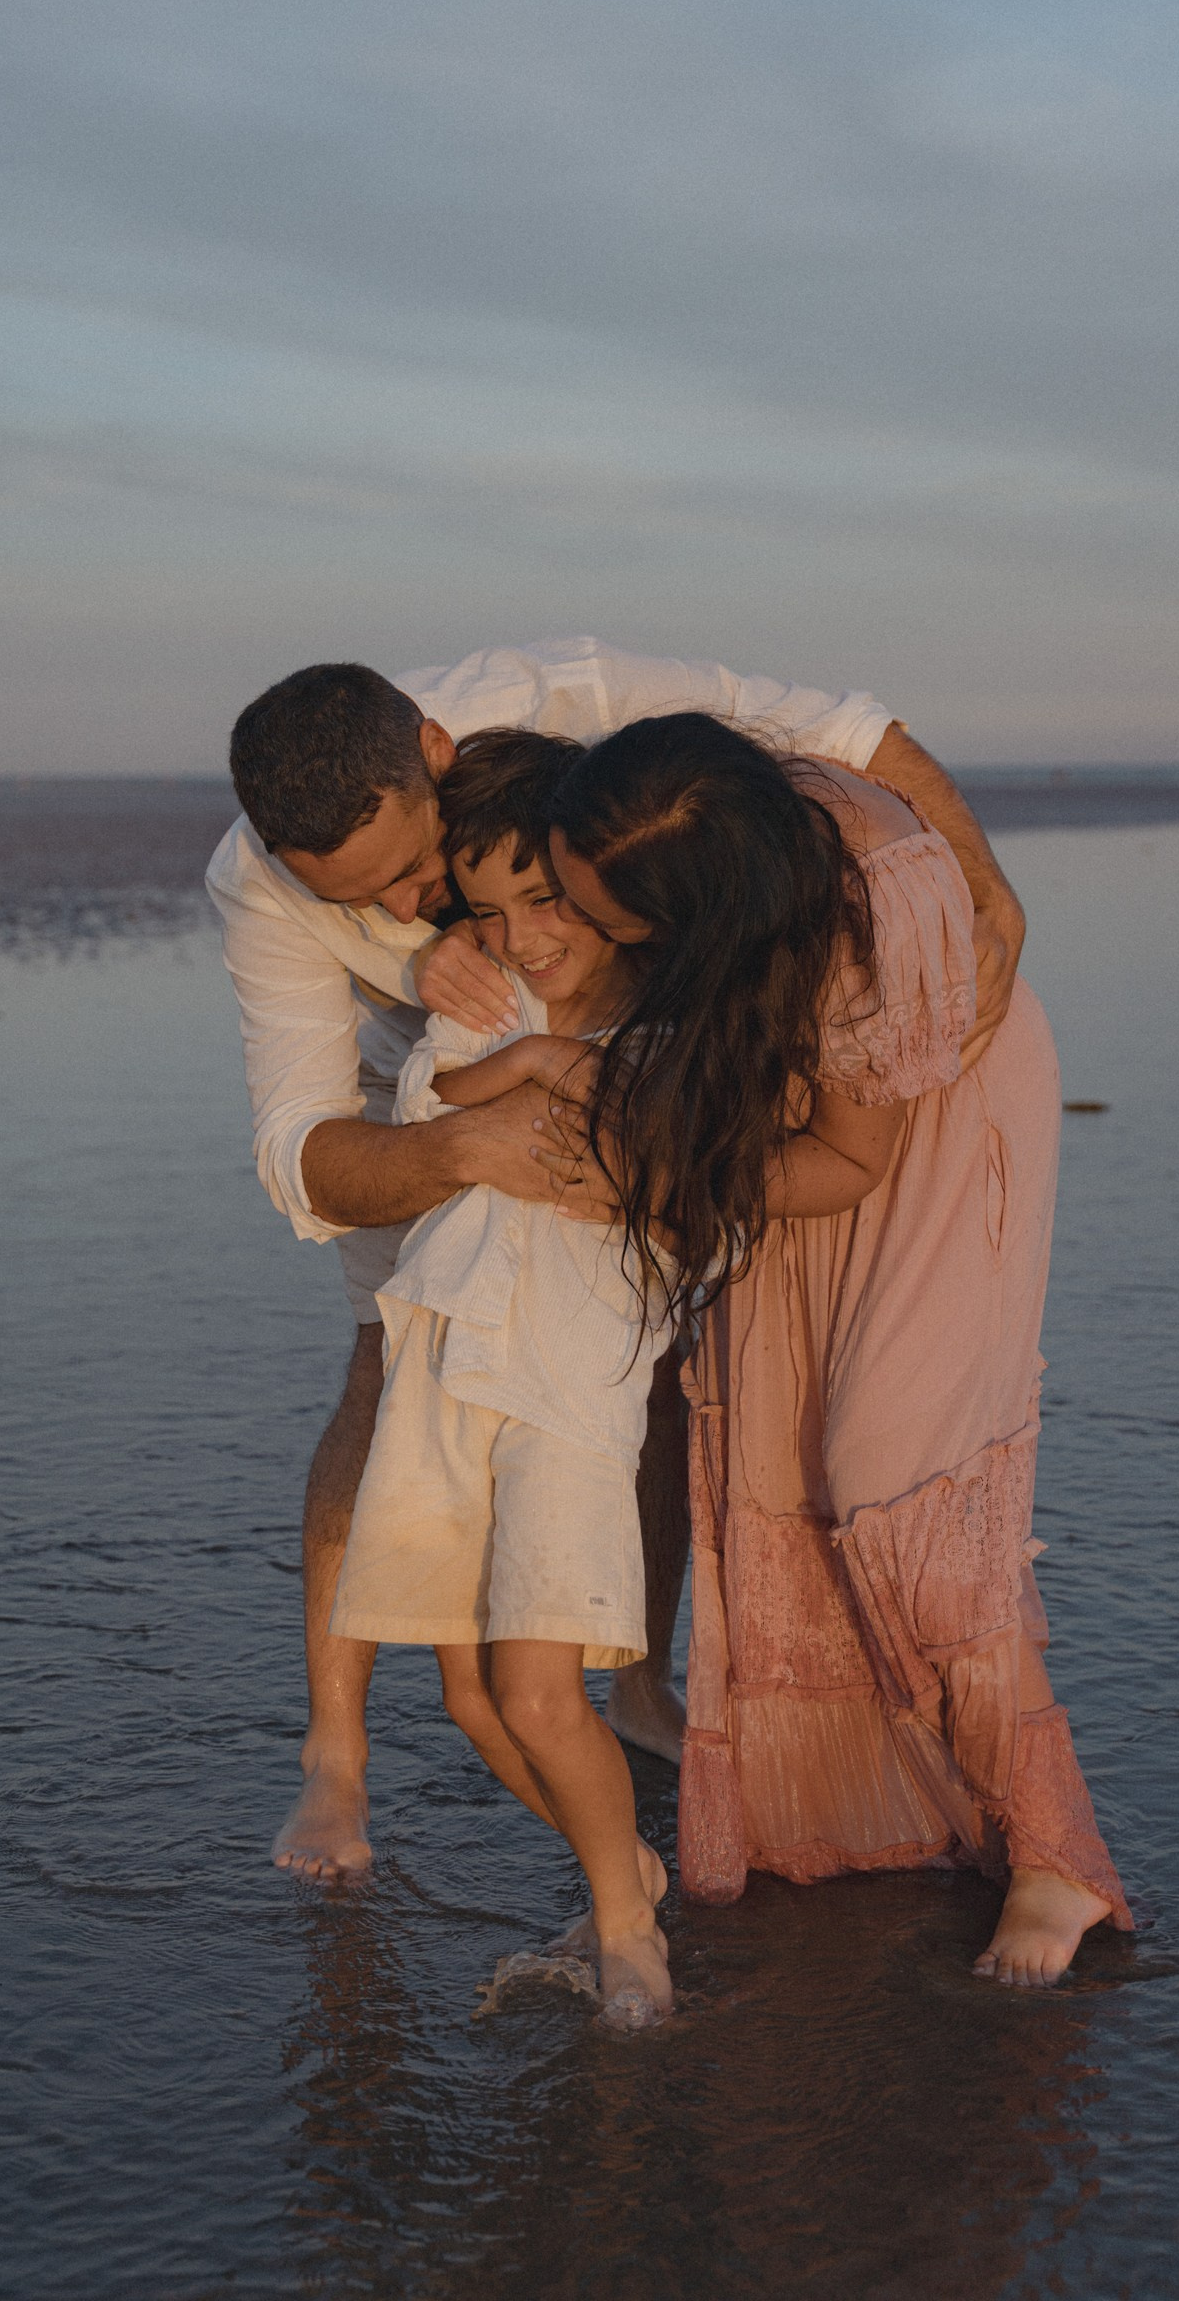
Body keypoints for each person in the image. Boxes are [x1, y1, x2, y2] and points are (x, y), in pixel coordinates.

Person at [209, 636, 1026, 1882]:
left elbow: (838, 728)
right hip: (412, 1096)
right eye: (355, 898)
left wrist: (982, 882)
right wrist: (464, 1144)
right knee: (386, 1365)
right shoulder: (263, 884)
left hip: (632, 1042)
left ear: (437, 755)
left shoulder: (564, 695)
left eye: (413, 867)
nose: (400, 903)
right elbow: (295, 1155)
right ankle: (336, 1753)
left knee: (635, 1370)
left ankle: (635, 1684)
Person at [536, 713, 1131, 1986]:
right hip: (800, 1111)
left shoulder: (872, 904)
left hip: (925, 1125)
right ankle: (873, 1807)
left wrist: (633, 1176)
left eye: (605, 912)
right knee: (773, 1426)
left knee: (891, 1462)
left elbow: (850, 1164)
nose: (578, 918)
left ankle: (1058, 1857)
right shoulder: (682, 792)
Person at [329, 729, 675, 2024]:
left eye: (545, 901)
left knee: (536, 1689)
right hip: (442, 1362)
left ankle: (629, 1928)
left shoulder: (668, 1018)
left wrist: (525, 1085)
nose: (521, 939)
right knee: (469, 1699)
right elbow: (429, 1108)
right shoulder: (488, 1000)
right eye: (486, 912)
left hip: (568, 1387)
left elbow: (646, 1167)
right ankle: (621, 1866)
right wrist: (520, 1062)